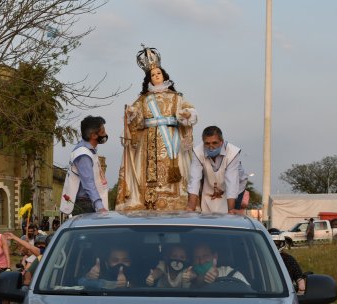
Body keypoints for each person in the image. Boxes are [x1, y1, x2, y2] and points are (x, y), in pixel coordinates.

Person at [116, 46, 197, 211]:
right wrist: (131, 114)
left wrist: (187, 114)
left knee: (175, 173)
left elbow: (190, 111)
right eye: (152, 75)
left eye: (158, 73)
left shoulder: (177, 97)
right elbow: (136, 122)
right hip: (148, 144)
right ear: (149, 79)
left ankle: (176, 202)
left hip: (172, 145)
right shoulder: (143, 99)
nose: (156, 76)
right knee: (147, 175)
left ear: (164, 76)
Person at [186, 126, 248, 214]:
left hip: (235, 188)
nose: (211, 147)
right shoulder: (197, 152)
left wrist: (231, 210)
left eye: (214, 143)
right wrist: (190, 208)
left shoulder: (232, 152)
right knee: (206, 216)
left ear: (221, 142)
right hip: (210, 187)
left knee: (231, 217)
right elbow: (194, 180)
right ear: (203, 143)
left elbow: (232, 182)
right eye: (207, 143)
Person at [59, 115, 109, 216]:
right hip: (85, 205)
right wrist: (100, 207)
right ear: (94, 135)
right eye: (102, 132)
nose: (106, 134)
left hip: (88, 203)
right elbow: (88, 184)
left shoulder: (88, 151)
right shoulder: (83, 155)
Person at [182, 242, 249, 287]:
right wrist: (189, 282)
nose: (201, 261)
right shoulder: (186, 274)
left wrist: (218, 281)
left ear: (215, 257)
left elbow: (248, 293)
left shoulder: (232, 274)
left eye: (205, 256)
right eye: (196, 257)